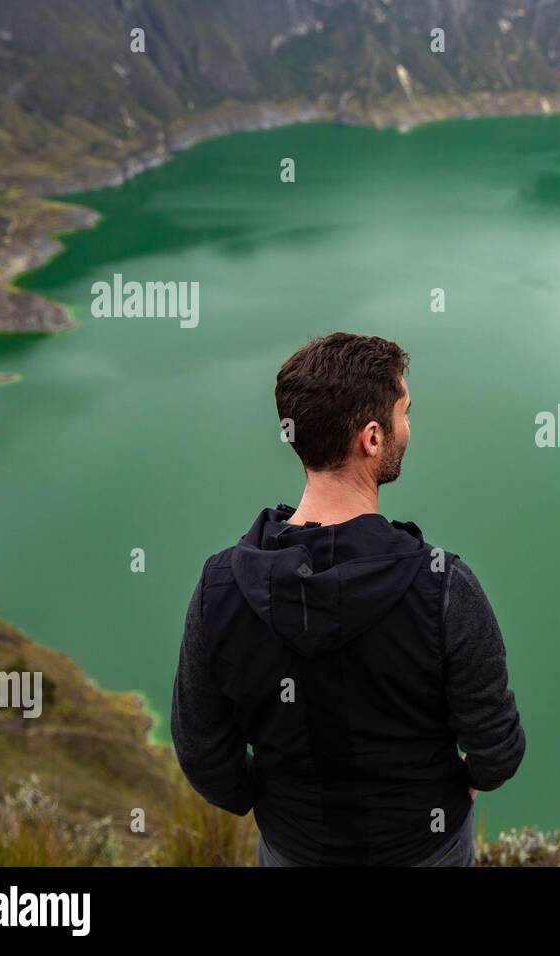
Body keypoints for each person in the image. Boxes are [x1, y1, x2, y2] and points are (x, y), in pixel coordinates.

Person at [171, 332, 526, 866]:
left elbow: (203, 755)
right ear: (373, 437)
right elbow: (496, 751)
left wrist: (268, 802)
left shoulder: (219, 587)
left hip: (294, 851)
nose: (412, 427)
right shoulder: (444, 585)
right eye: (406, 412)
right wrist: (465, 784)